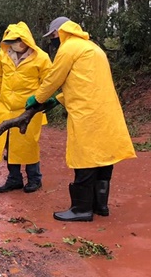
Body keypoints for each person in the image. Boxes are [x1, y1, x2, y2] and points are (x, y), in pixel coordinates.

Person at [26, 16, 137, 221]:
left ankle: (81, 209)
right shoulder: (93, 48)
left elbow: (54, 78)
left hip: (88, 115)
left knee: (85, 157)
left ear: (59, 32)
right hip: (106, 112)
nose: (53, 40)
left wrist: (38, 98)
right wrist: (57, 100)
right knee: (104, 156)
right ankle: (100, 206)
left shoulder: (69, 49)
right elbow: (84, 83)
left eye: (52, 36)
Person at [0, 21, 52, 194]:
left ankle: (34, 179)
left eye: (17, 40)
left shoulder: (41, 57)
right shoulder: (3, 55)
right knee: (9, 144)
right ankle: (14, 179)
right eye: (11, 41)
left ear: (25, 39)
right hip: (6, 108)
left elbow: (49, 82)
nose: (14, 44)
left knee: (28, 144)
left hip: (29, 110)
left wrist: (39, 101)